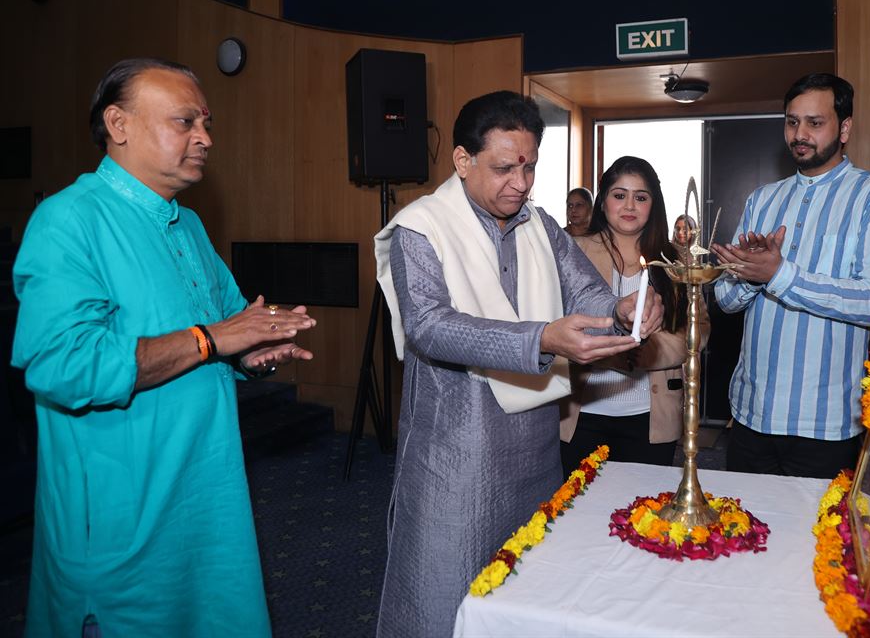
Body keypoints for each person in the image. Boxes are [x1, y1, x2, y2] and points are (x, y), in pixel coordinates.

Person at [11, 58, 317, 637]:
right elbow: (63, 366)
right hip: (123, 523)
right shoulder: (67, 220)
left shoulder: (188, 225)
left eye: (206, 123)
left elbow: (227, 329)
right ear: (118, 124)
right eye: (185, 122)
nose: (205, 138)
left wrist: (251, 353)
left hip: (207, 501)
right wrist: (213, 339)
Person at [372, 91, 662, 638]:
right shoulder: (421, 227)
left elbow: (586, 291)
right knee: (445, 586)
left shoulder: (540, 225)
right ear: (462, 160)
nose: (521, 183)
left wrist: (621, 309)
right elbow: (430, 327)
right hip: (456, 447)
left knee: (529, 581)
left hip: (535, 443)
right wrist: (542, 339)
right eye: (504, 168)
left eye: (529, 167)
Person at [710, 73, 870, 479]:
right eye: (792, 122)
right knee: (740, 520)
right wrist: (750, 276)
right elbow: (725, 300)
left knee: (816, 524)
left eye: (815, 123)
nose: (800, 134)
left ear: (844, 128)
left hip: (825, 422)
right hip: (751, 413)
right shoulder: (762, 199)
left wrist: (780, 274)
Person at [560, 156, 707, 475]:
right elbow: (555, 321)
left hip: (651, 416)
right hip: (583, 414)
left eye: (641, 197)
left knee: (644, 505)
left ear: (654, 205)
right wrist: (610, 353)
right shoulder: (573, 251)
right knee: (576, 503)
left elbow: (698, 329)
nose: (629, 205)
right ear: (603, 202)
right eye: (619, 195)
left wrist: (644, 354)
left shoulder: (676, 260)